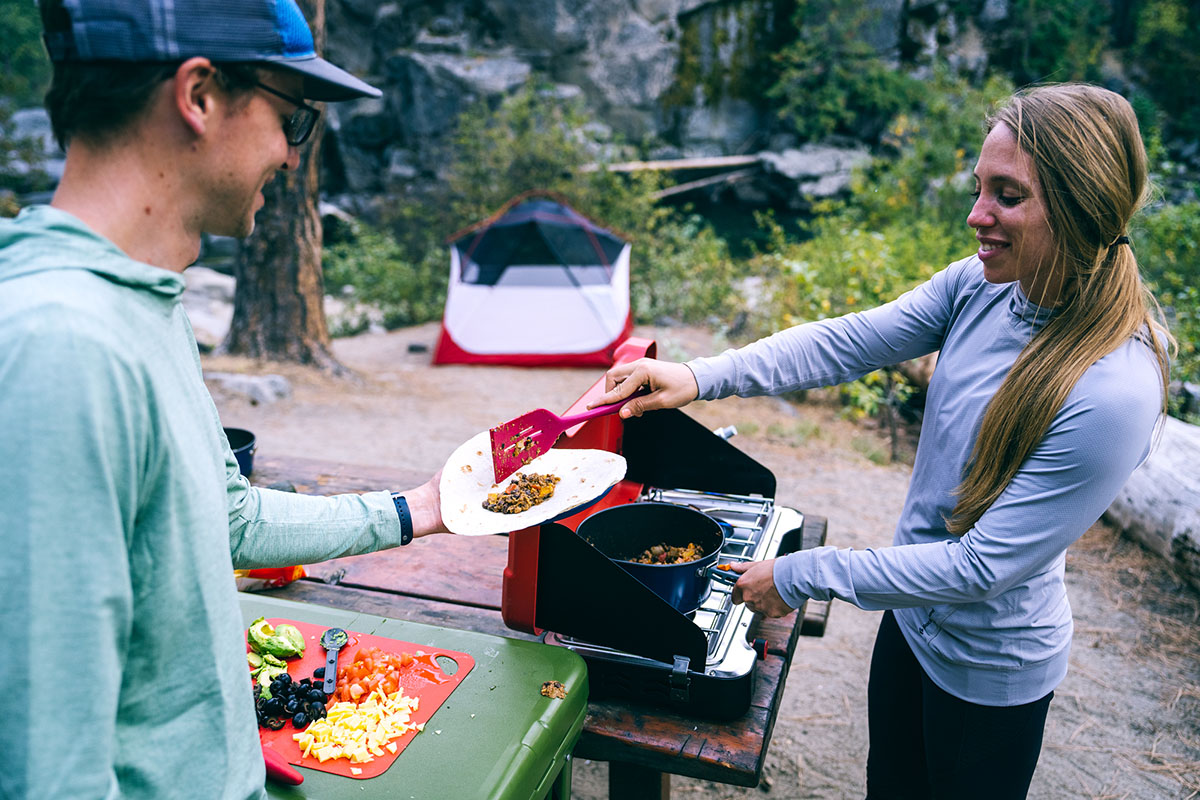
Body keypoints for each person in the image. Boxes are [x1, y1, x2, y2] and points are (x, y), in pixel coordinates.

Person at [592, 83, 1174, 799]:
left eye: (1008, 196)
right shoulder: (985, 285)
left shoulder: (1113, 389)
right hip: (910, 622)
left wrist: (801, 575)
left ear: (1082, 206)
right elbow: (846, 342)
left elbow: (979, 568)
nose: (976, 215)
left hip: (989, 675)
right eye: (978, 188)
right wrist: (698, 375)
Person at [0, 1, 449, 797]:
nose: (291, 155)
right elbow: (49, 774)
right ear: (199, 96)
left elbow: (226, 519)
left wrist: (421, 507)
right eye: (292, 118)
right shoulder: (59, 347)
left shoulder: (143, 301)